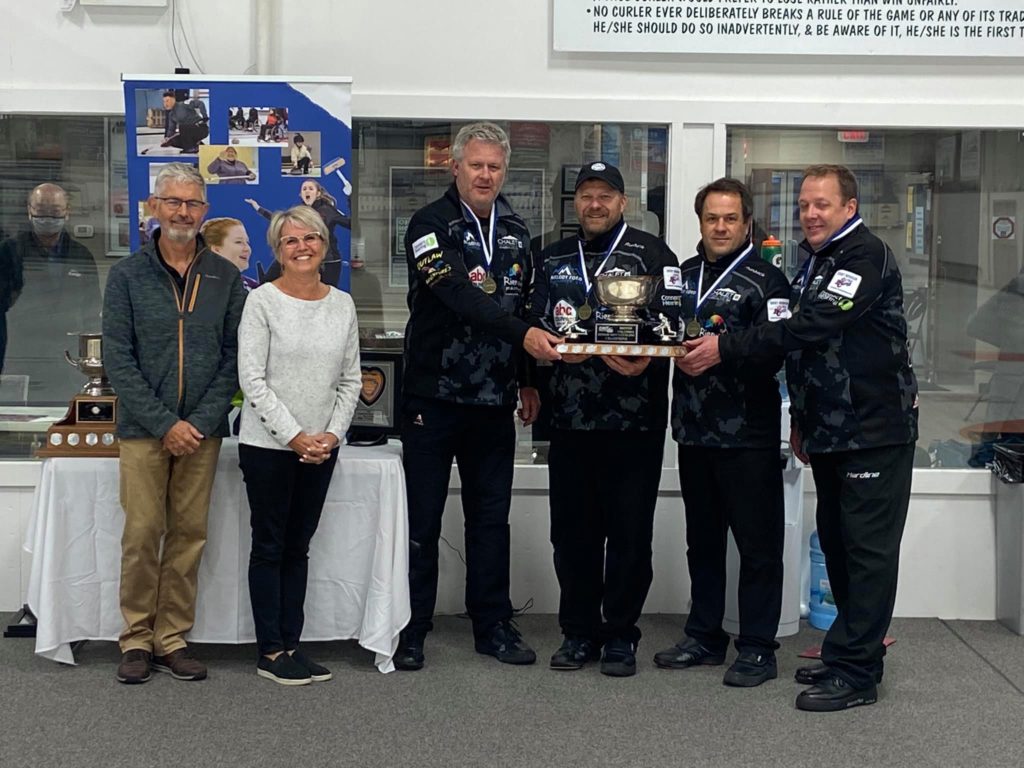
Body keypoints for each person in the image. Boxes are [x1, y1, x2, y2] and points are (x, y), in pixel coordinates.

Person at [679, 164, 919, 711]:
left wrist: (725, 347)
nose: (811, 214)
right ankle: (844, 656)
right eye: (805, 205)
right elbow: (813, 356)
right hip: (834, 429)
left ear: (849, 208)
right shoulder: (819, 261)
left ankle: (858, 674)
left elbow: (812, 326)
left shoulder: (862, 256)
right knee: (838, 545)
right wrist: (803, 418)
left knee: (866, 553)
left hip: (873, 431)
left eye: (823, 205)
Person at [394, 121, 562, 671]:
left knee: (491, 518)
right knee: (421, 519)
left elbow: (522, 308)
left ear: (503, 171)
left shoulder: (516, 229)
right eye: (476, 165)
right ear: (456, 167)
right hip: (432, 397)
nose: (485, 174)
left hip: (494, 400)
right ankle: (411, 626)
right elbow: (457, 294)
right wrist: (524, 339)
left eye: (494, 166)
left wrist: (528, 378)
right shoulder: (428, 224)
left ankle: (492, 623)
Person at [528, 161, 677, 677]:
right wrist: (547, 356)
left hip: (635, 421)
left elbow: (674, 324)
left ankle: (620, 634)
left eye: (605, 195)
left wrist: (647, 354)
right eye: (586, 195)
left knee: (631, 533)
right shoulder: (550, 258)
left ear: (623, 202)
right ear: (576, 203)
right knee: (572, 533)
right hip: (569, 419)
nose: (595, 204)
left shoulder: (655, 255)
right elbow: (532, 326)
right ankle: (577, 632)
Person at [103, 163, 246, 685]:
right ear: (153, 207)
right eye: (173, 202)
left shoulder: (226, 278)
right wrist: (166, 423)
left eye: (193, 203)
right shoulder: (126, 276)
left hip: (202, 431)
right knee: (143, 533)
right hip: (145, 430)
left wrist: (201, 421)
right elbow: (119, 359)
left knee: (189, 535)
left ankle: (172, 637)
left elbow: (235, 356)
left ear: (204, 212)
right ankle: (137, 638)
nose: (183, 212)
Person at [653, 178, 789, 687]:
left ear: (746, 221)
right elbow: (660, 331)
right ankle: (704, 636)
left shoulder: (768, 281)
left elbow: (777, 347)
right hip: (692, 430)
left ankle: (757, 647)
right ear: (701, 221)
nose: (721, 226)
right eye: (712, 218)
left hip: (747, 434)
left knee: (757, 547)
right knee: (702, 543)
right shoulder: (679, 277)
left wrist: (722, 347)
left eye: (731, 218)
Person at [237, 205, 362, 685]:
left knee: (299, 547)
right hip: (269, 447)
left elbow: (351, 381)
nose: (302, 246)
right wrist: (294, 437)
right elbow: (253, 380)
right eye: (290, 241)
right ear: (278, 251)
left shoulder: (342, 304)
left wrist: (331, 435)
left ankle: (293, 642)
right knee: (269, 546)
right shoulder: (262, 302)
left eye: (309, 237)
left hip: (322, 448)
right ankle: (269, 650)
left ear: (324, 245)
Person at [0, 183, 100, 390]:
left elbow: (92, 310)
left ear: (66, 213)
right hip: (23, 355)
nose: (47, 218)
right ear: (30, 211)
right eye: (41, 211)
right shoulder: (9, 252)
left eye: (54, 212)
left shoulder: (81, 255)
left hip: (69, 359)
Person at [245, 180, 349, 287]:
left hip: (328, 261)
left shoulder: (328, 210)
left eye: (310, 188)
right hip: (305, 256)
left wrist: (350, 197)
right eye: (304, 189)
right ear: (301, 194)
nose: (307, 191)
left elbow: (350, 224)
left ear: (318, 194)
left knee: (327, 295)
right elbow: (281, 221)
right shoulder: (300, 212)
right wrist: (259, 209)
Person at [200, 217, 258, 290]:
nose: (247, 249)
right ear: (216, 250)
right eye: (238, 242)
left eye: (247, 242)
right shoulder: (197, 287)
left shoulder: (254, 287)